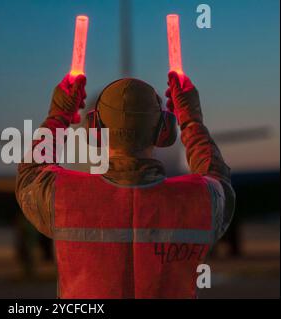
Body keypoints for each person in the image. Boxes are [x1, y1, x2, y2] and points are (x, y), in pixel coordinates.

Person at [16, 72, 235, 298]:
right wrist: (191, 120)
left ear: (95, 129)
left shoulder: (62, 195)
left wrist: (59, 115)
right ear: (164, 130)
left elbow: (31, 173)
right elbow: (217, 178)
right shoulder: (200, 199)